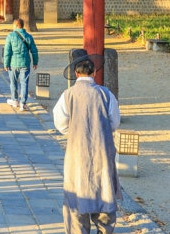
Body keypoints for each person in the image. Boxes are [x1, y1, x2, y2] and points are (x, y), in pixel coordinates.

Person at [52, 55, 121, 234]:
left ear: (76, 73)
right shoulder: (106, 94)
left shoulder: (67, 95)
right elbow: (114, 122)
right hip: (102, 151)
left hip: (77, 151)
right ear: (95, 72)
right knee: (103, 190)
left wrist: (74, 131)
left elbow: (60, 123)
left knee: (76, 197)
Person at [3, 18, 38, 111]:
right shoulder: (29, 36)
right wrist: (35, 62)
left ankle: (14, 100)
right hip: (25, 63)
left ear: (15, 25)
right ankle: (23, 103)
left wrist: (6, 63)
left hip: (13, 63)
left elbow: (7, 52)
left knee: (13, 82)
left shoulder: (10, 36)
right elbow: (34, 51)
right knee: (24, 83)